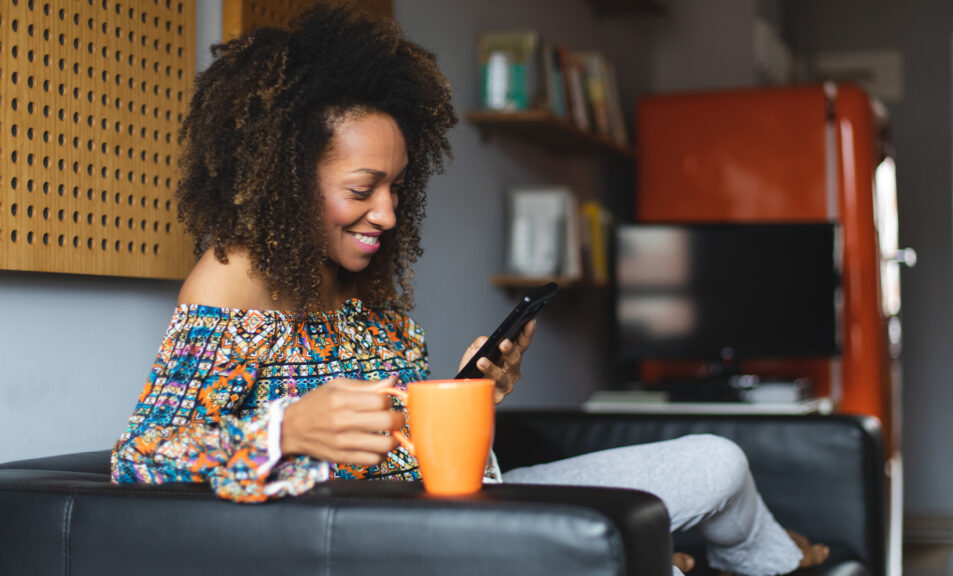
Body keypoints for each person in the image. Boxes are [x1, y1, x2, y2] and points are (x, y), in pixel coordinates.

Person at [110, 3, 828, 575]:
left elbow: (409, 442)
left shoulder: (359, 281)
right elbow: (143, 453)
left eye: (396, 187)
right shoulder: (233, 277)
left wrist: (479, 387)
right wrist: (287, 430)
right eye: (363, 189)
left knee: (716, 460)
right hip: (400, 542)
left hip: (464, 502)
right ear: (287, 178)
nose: (387, 215)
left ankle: (767, 561)